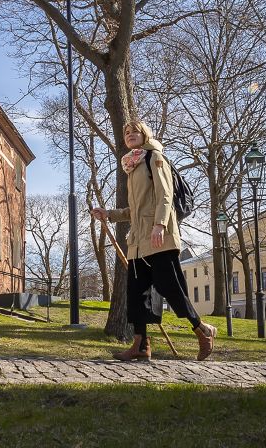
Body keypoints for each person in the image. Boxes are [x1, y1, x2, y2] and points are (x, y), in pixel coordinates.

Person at [92, 121, 217, 361]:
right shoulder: (132, 164)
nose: (129, 135)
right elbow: (135, 210)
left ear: (144, 134)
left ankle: (202, 329)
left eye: (134, 132)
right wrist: (109, 214)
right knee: (137, 293)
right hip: (137, 241)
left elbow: (165, 194)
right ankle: (140, 344)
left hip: (159, 237)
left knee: (170, 287)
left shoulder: (154, 157)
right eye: (126, 132)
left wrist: (160, 225)